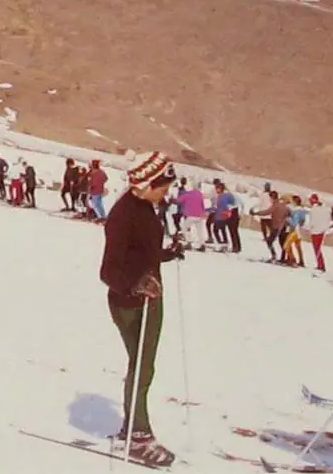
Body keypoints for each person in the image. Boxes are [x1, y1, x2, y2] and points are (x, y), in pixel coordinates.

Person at [100, 151, 184, 467]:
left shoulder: (146, 207)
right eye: (163, 186)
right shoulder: (122, 215)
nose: (166, 192)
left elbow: (143, 252)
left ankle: (131, 429)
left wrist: (167, 254)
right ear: (147, 184)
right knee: (142, 367)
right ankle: (138, 436)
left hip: (150, 298)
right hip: (130, 303)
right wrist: (136, 286)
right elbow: (108, 271)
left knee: (143, 365)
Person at [175, 180, 207, 251]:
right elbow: (202, 204)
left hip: (191, 215)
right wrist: (204, 213)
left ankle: (188, 243)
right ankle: (202, 245)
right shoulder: (200, 194)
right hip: (200, 215)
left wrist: (172, 199)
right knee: (200, 231)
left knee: (184, 228)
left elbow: (178, 201)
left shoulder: (188, 194)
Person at [305, 193, 332, 271]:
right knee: (318, 248)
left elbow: (312, 222)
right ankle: (320, 264)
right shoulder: (325, 208)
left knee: (317, 248)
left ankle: (321, 265)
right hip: (322, 231)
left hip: (315, 231)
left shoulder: (313, 210)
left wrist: (310, 229)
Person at [283, 195, 307, 267]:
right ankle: (301, 261)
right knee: (298, 246)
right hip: (299, 230)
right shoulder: (303, 210)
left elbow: (294, 222)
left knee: (286, 245)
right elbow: (303, 221)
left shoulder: (296, 211)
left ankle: (293, 260)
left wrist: (287, 218)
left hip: (294, 230)